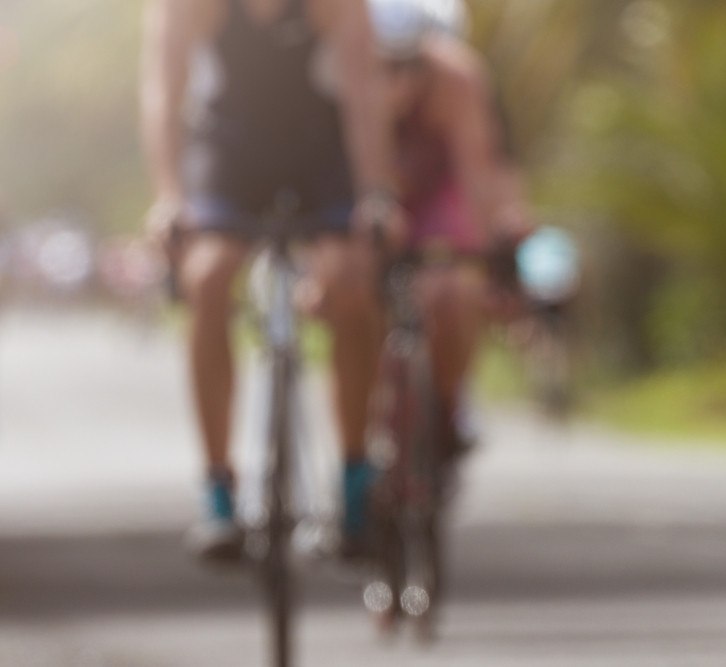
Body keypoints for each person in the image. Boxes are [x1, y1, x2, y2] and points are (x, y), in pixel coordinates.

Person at [139, 0, 402, 560]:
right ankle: (217, 491)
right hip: (227, 148)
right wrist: (168, 195)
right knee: (207, 277)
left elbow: (362, 94)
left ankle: (355, 479)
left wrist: (376, 192)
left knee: (350, 282)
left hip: (317, 150)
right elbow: (164, 91)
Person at [367, 0, 530, 454]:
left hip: (441, 190)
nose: (394, 79)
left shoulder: (457, 78)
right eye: (381, 64)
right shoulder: (346, 71)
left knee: (454, 289)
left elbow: (476, 174)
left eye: (405, 65)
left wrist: (488, 254)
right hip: (377, 190)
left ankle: (450, 399)